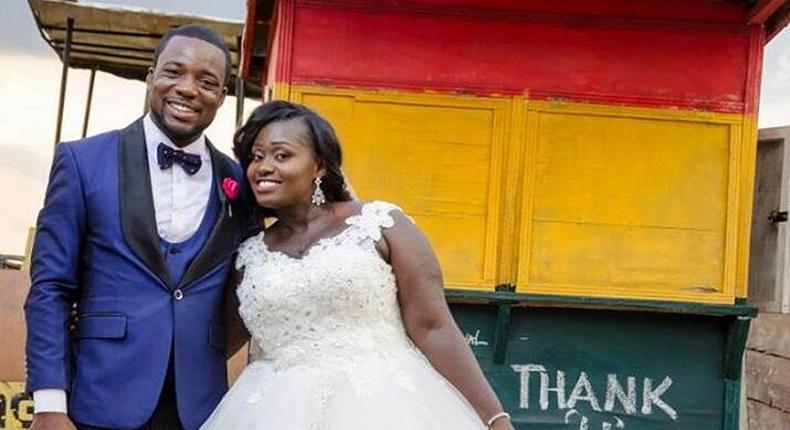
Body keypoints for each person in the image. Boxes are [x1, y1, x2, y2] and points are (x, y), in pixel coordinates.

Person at [201, 101, 515, 430]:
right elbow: (214, 344)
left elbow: (433, 327)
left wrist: (494, 419)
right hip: (268, 413)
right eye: (256, 156)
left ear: (318, 166)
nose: (263, 167)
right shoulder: (248, 256)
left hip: (388, 406)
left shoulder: (381, 224)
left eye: (282, 155)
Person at [25, 24, 248, 430]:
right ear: (150, 78)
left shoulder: (239, 181)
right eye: (173, 72)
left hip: (200, 410)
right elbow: (50, 288)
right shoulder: (82, 161)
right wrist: (49, 403)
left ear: (222, 95)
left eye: (206, 81)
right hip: (97, 400)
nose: (187, 88)